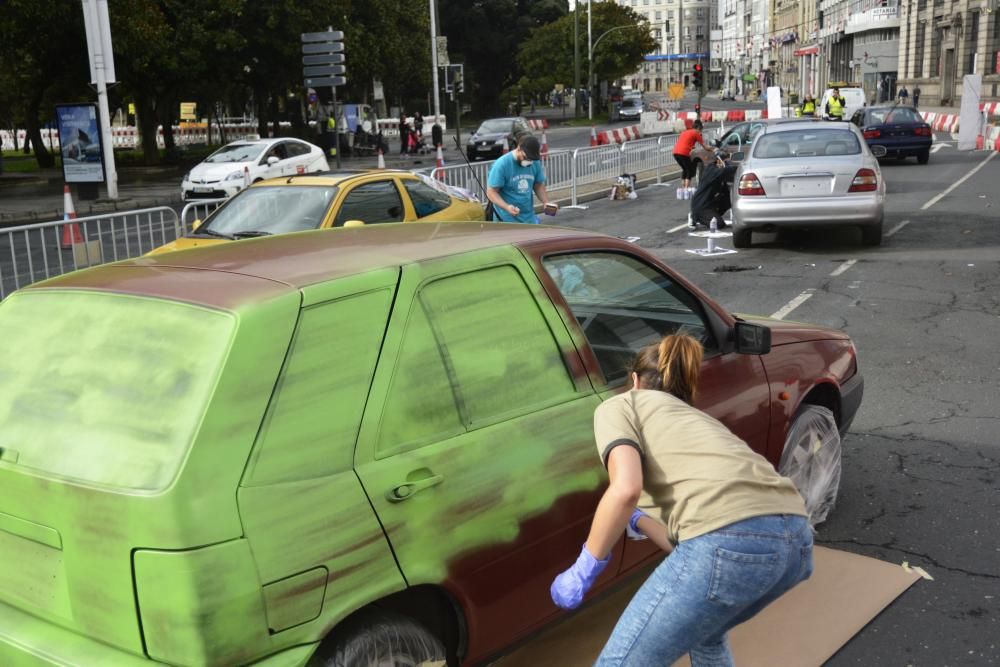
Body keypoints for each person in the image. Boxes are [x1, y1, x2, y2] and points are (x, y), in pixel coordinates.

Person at [550, 334, 813, 667]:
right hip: (796, 542)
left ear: (634, 381)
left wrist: (584, 569)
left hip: (729, 539)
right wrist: (638, 519)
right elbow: (698, 544)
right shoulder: (698, 422)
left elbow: (625, 488)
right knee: (706, 636)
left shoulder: (619, 406)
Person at [486, 134, 554, 224]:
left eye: (531, 159)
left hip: (529, 218)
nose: (529, 161)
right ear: (519, 149)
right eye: (526, 158)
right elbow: (491, 192)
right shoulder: (501, 165)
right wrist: (507, 207)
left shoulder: (535, 162)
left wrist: (546, 202)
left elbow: (538, 185)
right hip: (506, 219)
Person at [688, 150, 737, 230]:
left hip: (709, 203)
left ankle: (712, 215)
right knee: (718, 224)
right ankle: (695, 217)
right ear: (718, 161)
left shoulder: (718, 172)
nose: (727, 164)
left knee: (728, 199)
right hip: (701, 205)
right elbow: (725, 171)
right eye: (725, 162)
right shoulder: (711, 170)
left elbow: (728, 180)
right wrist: (741, 167)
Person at [672, 119, 707, 190]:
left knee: (685, 169)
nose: (700, 132)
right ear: (698, 128)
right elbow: (705, 146)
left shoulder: (685, 132)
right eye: (700, 130)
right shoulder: (696, 133)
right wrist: (713, 149)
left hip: (675, 152)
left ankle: (683, 187)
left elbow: (685, 142)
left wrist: (691, 147)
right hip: (683, 153)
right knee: (689, 170)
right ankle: (686, 188)